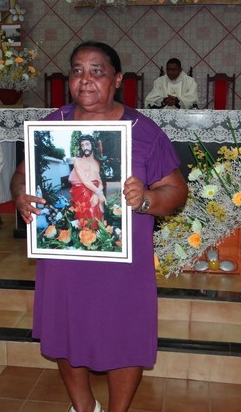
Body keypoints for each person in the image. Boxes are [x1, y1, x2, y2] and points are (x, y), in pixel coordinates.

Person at [11, 41, 188, 412]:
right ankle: (83, 406)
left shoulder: (142, 130)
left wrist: (146, 199)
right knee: (66, 328)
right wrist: (21, 196)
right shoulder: (53, 125)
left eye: (97, 71)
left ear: (117, 79)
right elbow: (23, 175)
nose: (85, 79)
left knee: (125, 333)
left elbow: (176, 191)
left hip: (122, 262)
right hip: (64, 257)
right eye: (77, 71)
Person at [69, 135, 106, 221]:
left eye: (87, 144)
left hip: (96, 191)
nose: (85, 147)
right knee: (88, 219)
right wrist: (99, 193)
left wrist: (97, 194)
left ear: (92, 145)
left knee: (100, 216)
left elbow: (100, 181)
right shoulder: (78, 161)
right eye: (82, 145)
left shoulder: (96, 162)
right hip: (83, 193)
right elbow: (85, 180)